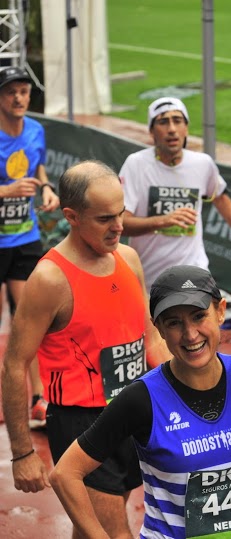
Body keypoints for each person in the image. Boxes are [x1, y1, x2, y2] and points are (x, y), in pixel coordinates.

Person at [50, 265, 231, 538]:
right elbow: (64, 474)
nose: (190, 334)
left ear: (220, 311)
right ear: (157, 328)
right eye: (173, 322)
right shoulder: (142, 398)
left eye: (198, 316)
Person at [0, 161, 152, 537]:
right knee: (115, 533)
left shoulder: (128, 260)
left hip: (134, 411)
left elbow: (151, 339)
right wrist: (22, 452)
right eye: (104, 219)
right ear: (71, 216)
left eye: (120, 213)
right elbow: (15, 364)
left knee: (89, 531)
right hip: (83, 425)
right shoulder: (50, 279)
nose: (119, 226)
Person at [120, 96, 231, 289]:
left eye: (177, 121)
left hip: (194, 272)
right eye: (163, 122)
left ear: (186, 128)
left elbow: (220, 197)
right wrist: (163, 220)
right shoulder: (135, 165)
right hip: (149, 278)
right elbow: (121, 223)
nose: (171, 129)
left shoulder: (202, 164)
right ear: (151, 131)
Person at [0, 65, 60, 429]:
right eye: (11, 92)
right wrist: (6, 191)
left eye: (24, 91)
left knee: (29, 319)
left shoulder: (35, 131)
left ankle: (39, 398)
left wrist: (48, 187)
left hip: (24, 238)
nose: (20, 98)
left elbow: (38, 171)